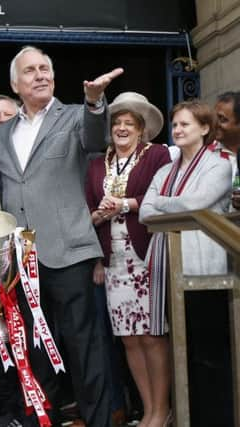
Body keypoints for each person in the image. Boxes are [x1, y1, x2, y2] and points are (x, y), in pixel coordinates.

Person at [0, 45, 123, 427]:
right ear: (15, 83)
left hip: (69, 250)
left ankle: (98, 422)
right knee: (31, 348)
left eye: (45, 68)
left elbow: (96, 139)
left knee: (83, 348)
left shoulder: (75, 117)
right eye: (30, 70)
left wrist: (94, 101)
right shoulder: (1, 135)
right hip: (20, 259)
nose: (41, 75)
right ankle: (40, 420)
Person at [140, 100, 232, 427]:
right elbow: (143, 213)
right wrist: (171, 206)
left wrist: (162, 203)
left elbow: (198, 203)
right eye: (175, 125)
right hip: (168, 268)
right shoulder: (166, 170)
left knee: (209, 351)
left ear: (205, 128)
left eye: (185, 125)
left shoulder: (219, 166)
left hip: (205, 270)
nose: (177, 130)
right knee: (182, 350)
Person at [85, 92, 171, 427]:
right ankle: (149, 410)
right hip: (114, 262)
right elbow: (88, 212)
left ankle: (161, 411)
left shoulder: (158, 155)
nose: (122, 128)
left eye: (129, 123)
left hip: (148, 256)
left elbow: (162, 197)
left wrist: (125, 205)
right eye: (117, 123)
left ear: (142, 130)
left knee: (151, 335)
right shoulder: (96, 164)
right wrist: (99, 219)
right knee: (129, 339)